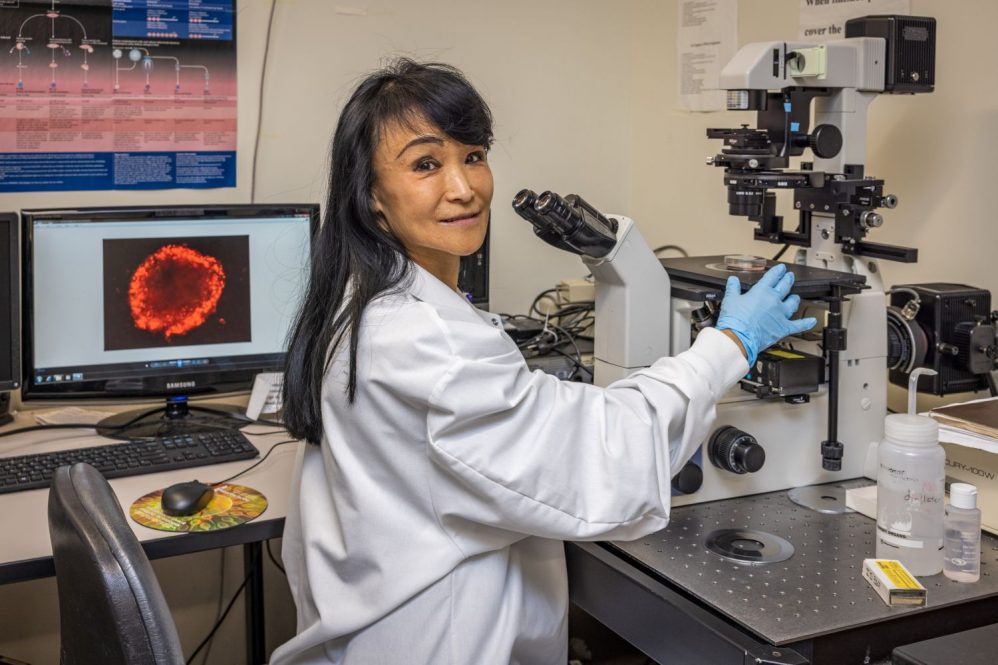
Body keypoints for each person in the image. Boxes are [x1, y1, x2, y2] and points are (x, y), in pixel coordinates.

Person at [272, 59, 815, 665]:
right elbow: (601, 455)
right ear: (371, 195)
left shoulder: (365, 299)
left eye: (473, 156)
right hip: (438, 640)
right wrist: (729, 345)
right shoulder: (425, 339)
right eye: (426, 164)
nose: (463, 188)